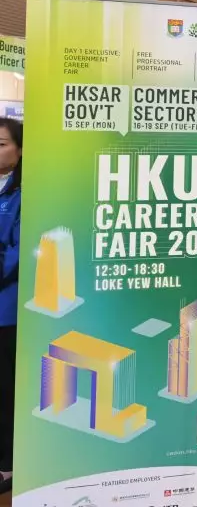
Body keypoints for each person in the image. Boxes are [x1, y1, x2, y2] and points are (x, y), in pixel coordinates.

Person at [0, 118, 22, 494]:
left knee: (5, 388)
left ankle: (7, 465)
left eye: (1, 143)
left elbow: (17, 251)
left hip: (6, 308)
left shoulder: (23, 194)